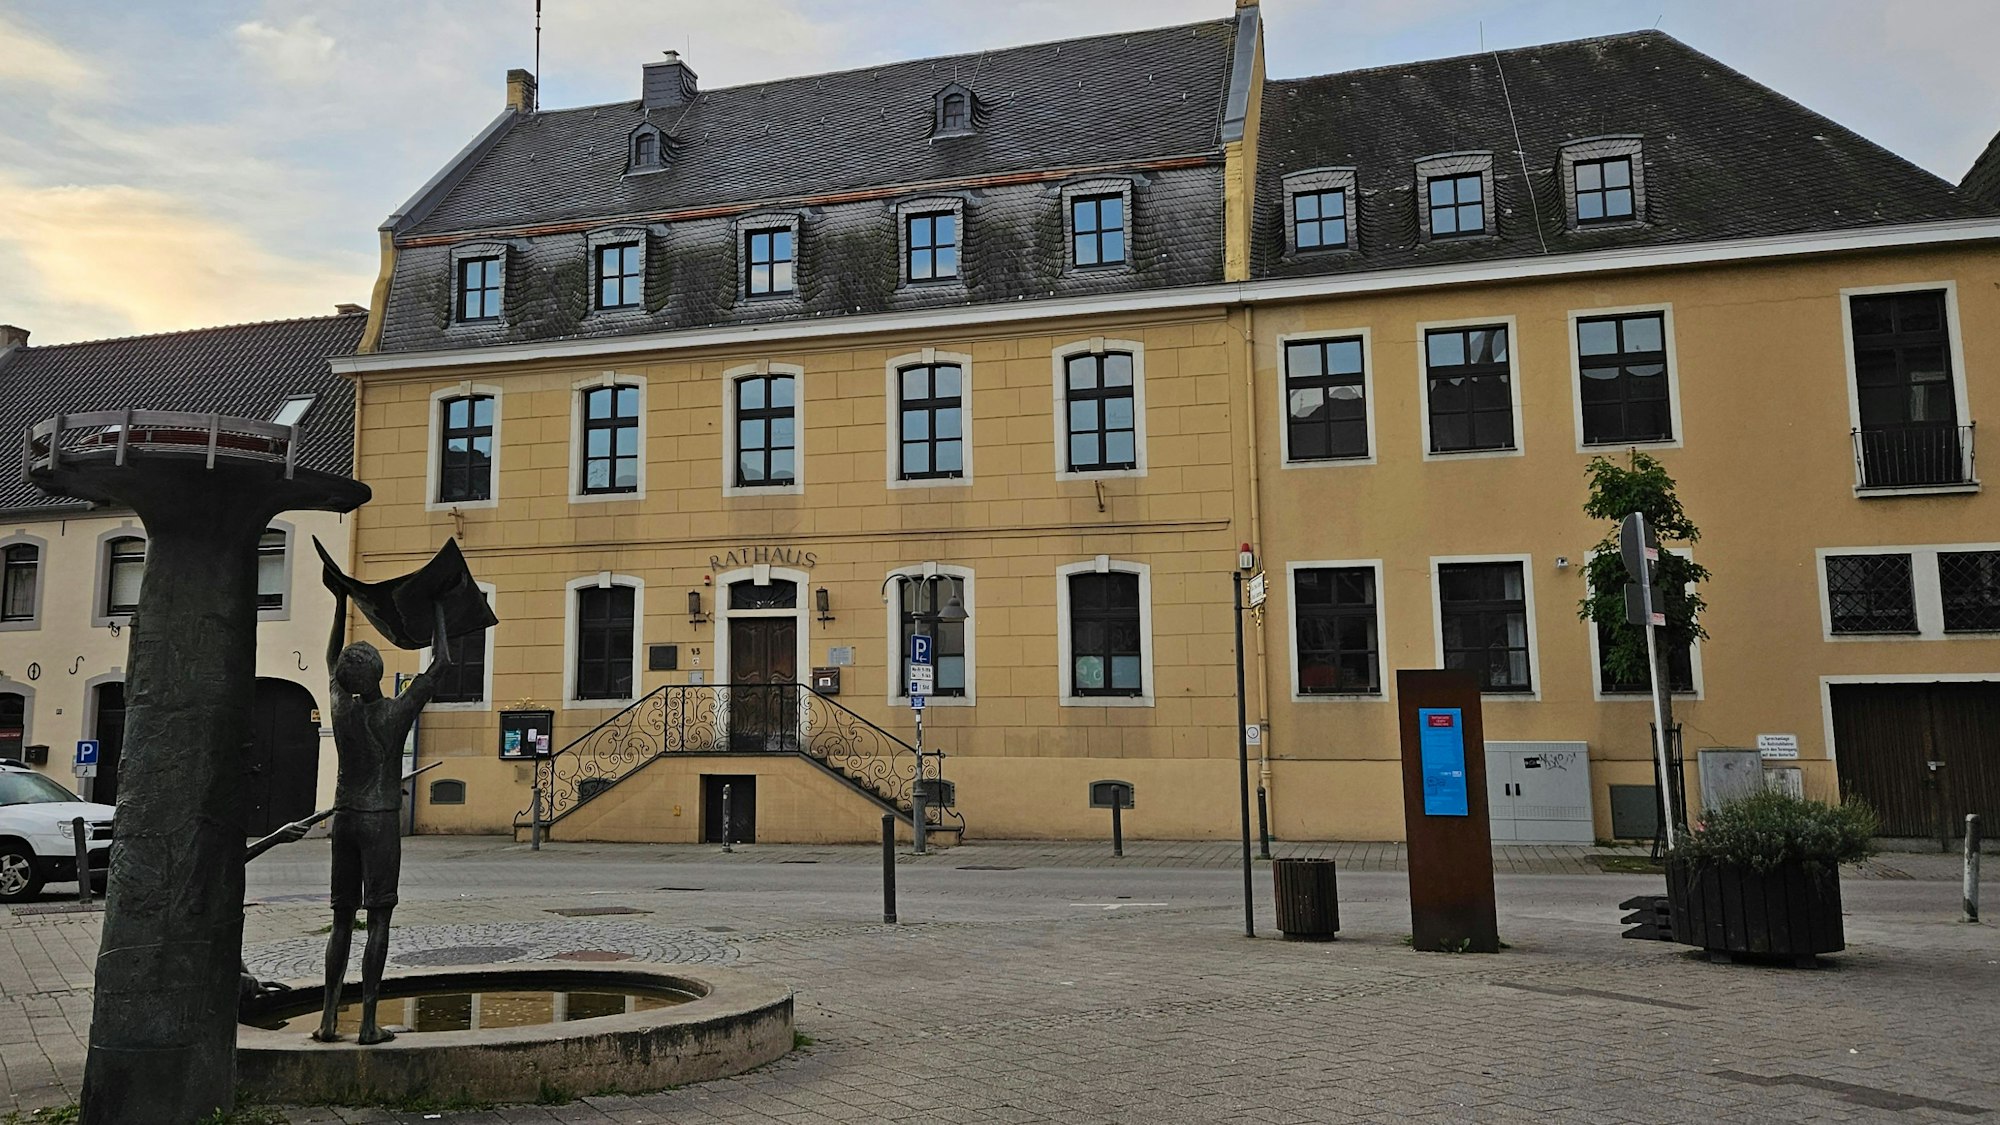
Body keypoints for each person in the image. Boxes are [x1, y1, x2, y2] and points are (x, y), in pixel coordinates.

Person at [311, 592, 448, 1045]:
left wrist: (339, 602)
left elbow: (331, 660)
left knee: (342, 919)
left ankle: (329, 1019)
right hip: (381, 819)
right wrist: (439, 609)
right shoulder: (394, 713)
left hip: (345, 816)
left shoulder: (339, 707)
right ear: (378, 675)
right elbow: (441, 663)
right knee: (380, 920)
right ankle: (368, 1023)